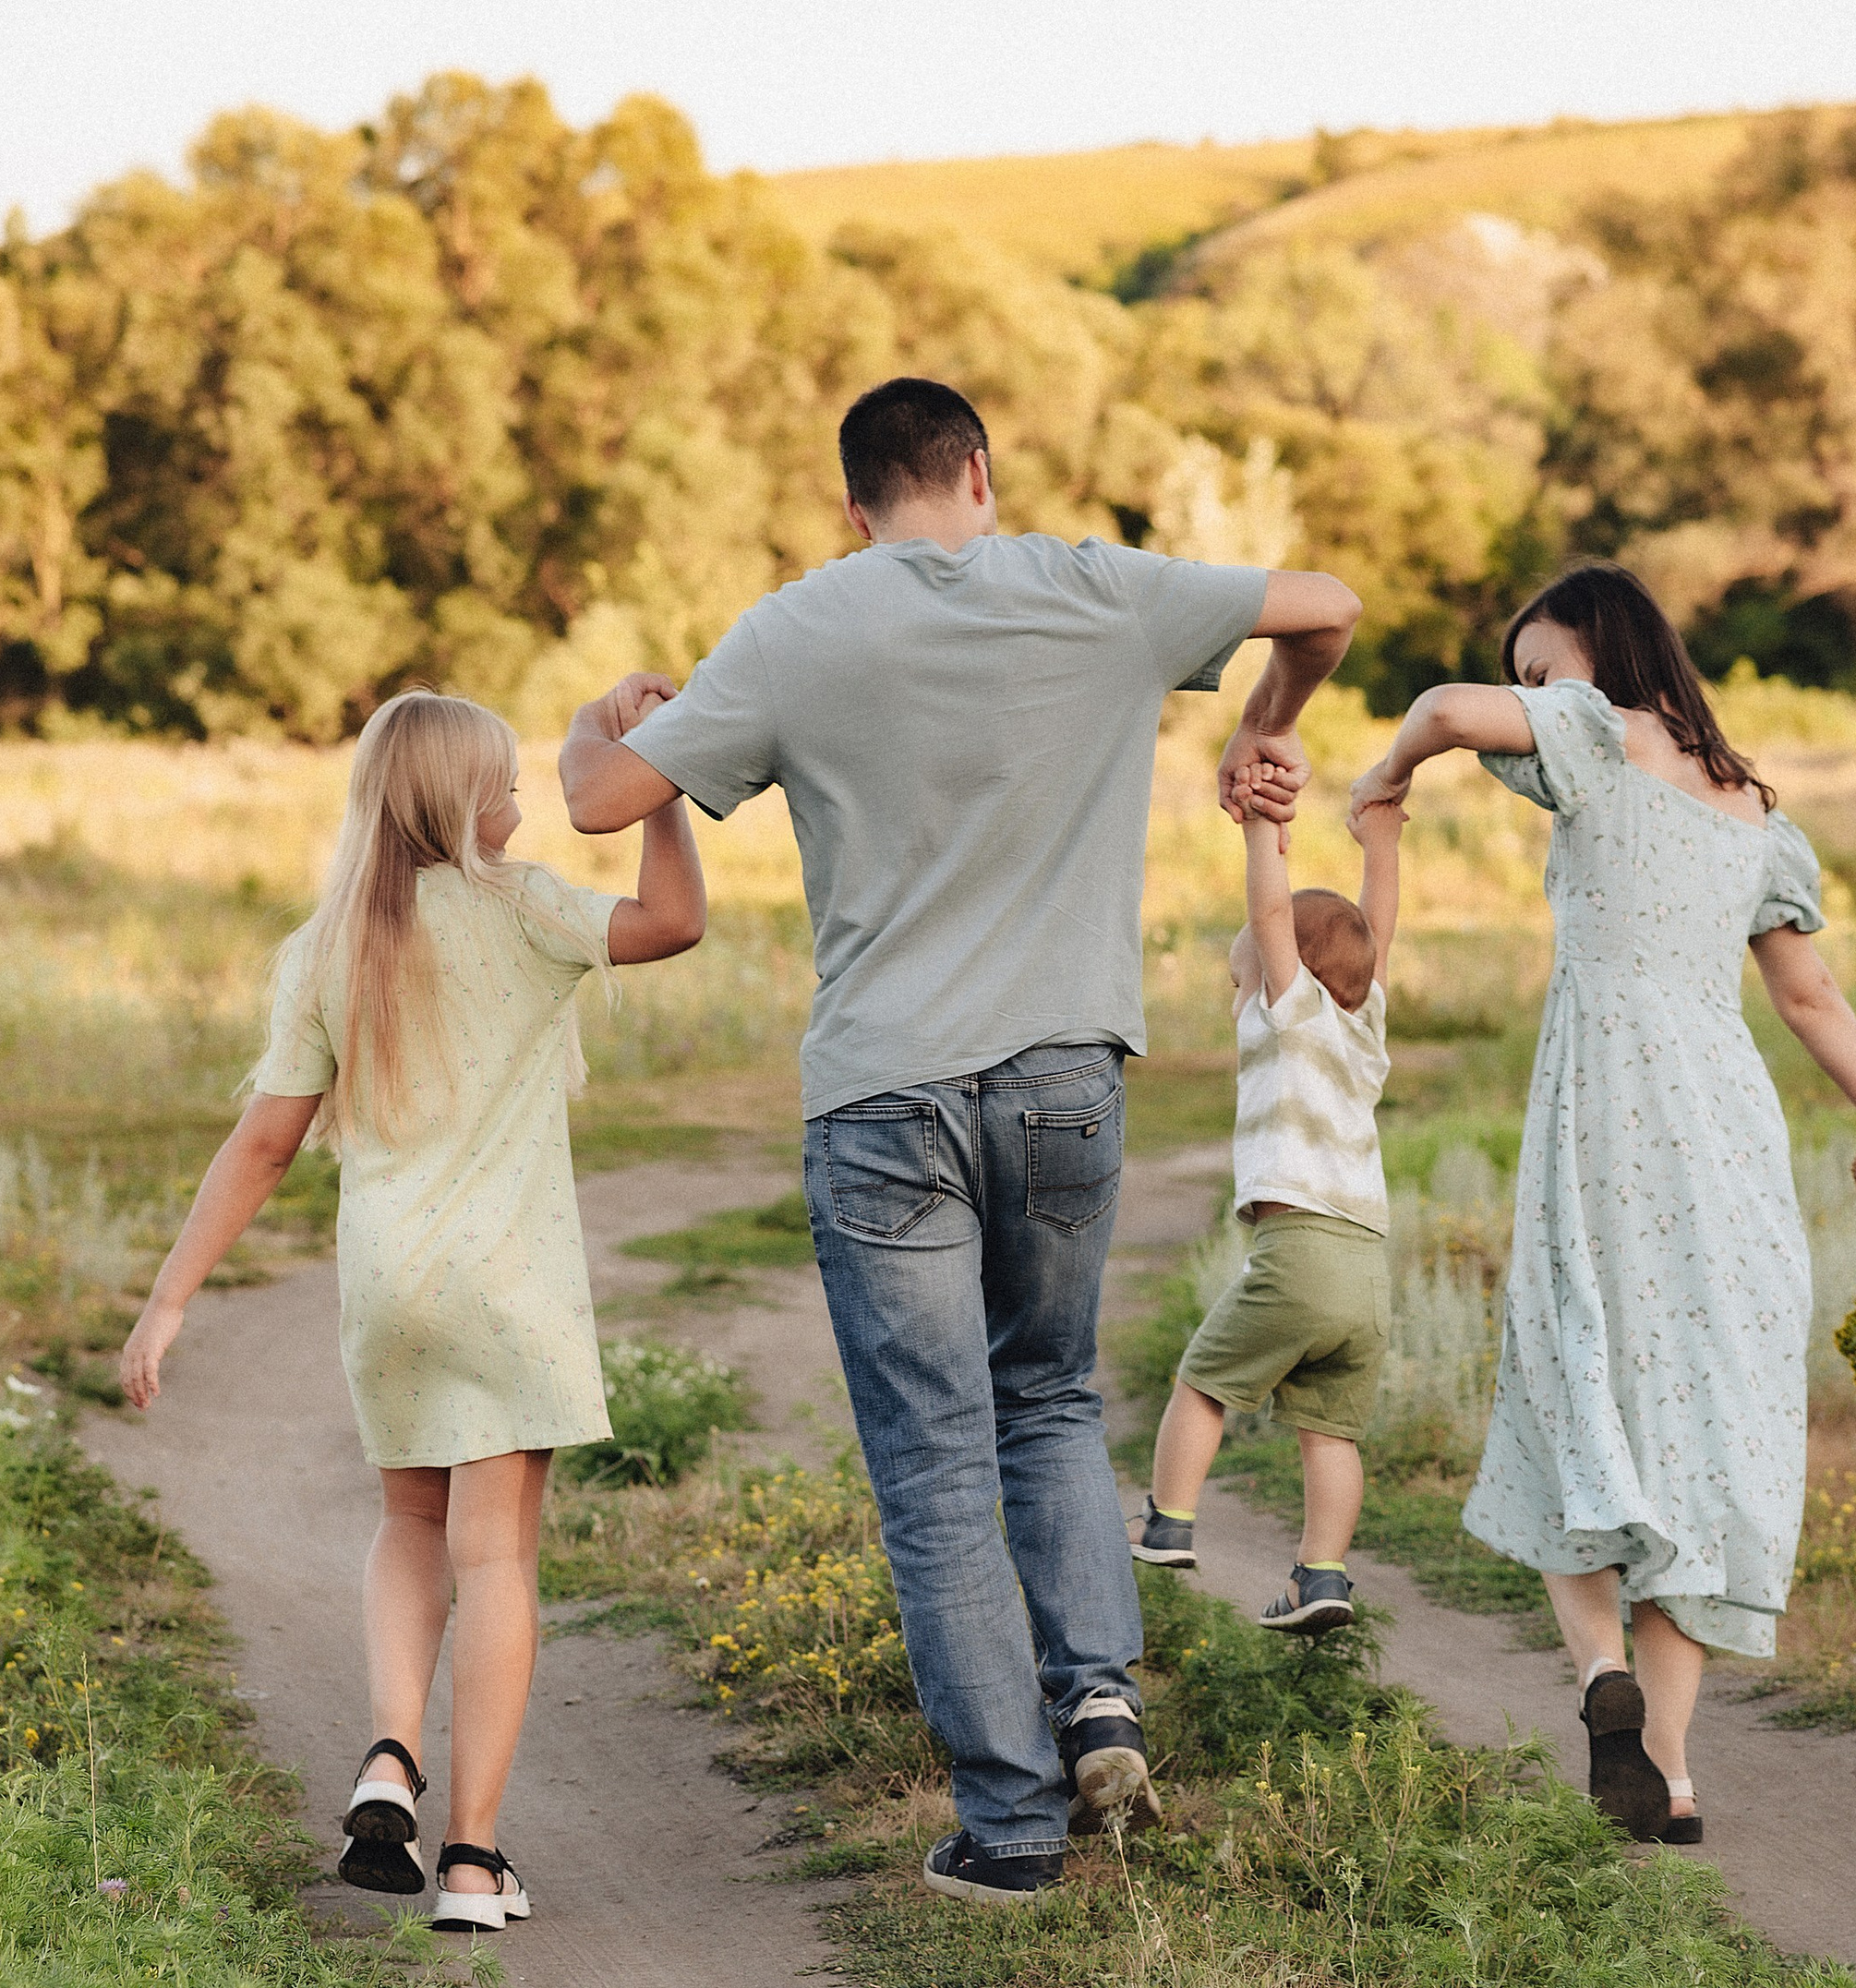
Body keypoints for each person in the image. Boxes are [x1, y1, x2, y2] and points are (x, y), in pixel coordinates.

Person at [559, 375, 1359, 1904]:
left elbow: (601, 802)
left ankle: (1007, 1826)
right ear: (979, 474)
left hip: (882, 1095)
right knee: (1050, 1392)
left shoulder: (802, 624)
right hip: (1067, 1069)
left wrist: (601, 717)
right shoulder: (1098, 588)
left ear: (851, 505)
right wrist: (1260, 730)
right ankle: (1098, 1694)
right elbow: (1326, 603)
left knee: (933, 1466)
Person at [120, 691, 705, 1931]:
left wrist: (168, 1302)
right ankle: (476, 1861)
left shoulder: (330, 943)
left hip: (388, 1288)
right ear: (454, 801)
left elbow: (266, 1141)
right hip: (509, 1288)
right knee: (494, 1556)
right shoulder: (525, 905)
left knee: (407, 1521)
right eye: (500, 781)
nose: (518, 800)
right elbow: (674, 921)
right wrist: (667, 782)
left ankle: (390, 1751)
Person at [1346, 562, 1856, 1845]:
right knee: (1703, 1424)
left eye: (1539, 668)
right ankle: (1673, 1771)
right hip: (1728, 1127)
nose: (1529, 696)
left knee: (1564, 1370)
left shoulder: (1597, 732)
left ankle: (1599, 1670)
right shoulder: (1755, 806)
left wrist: (1385, 779)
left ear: (1596, 649)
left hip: (1610, 1105)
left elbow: (1436, 706)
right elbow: (1810, 998)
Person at [1131, 786, 1405, 1636]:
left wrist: (1263, 831)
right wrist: (1381, 845)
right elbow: (1377, 935)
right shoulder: (1366, 1028)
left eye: (1239, 975)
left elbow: (1270, 912)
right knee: (1331, 1434)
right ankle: (1321, 1576)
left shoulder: (1291, 1019)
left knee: (1204, 1381)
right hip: (1366, 1271)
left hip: (1301, 1250)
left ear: (1287, 974)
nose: (1237, 991)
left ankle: (1167, 1521)